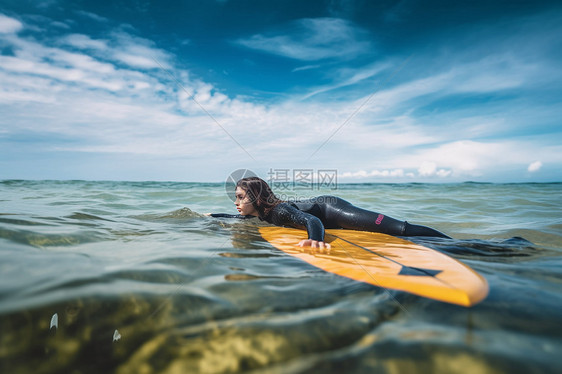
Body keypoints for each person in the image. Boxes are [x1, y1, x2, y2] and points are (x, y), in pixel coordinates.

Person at [210, 177, 450, 249]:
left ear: (256, 197)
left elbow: (311, 220)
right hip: (324, 210)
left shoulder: (279, 210)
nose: (236, 202)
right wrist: (212, 217)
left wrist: (316, 240)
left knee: (400, 230)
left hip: (333, 209)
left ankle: (455, 243)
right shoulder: (260, 214)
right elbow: (236, 217)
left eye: (240, 197)